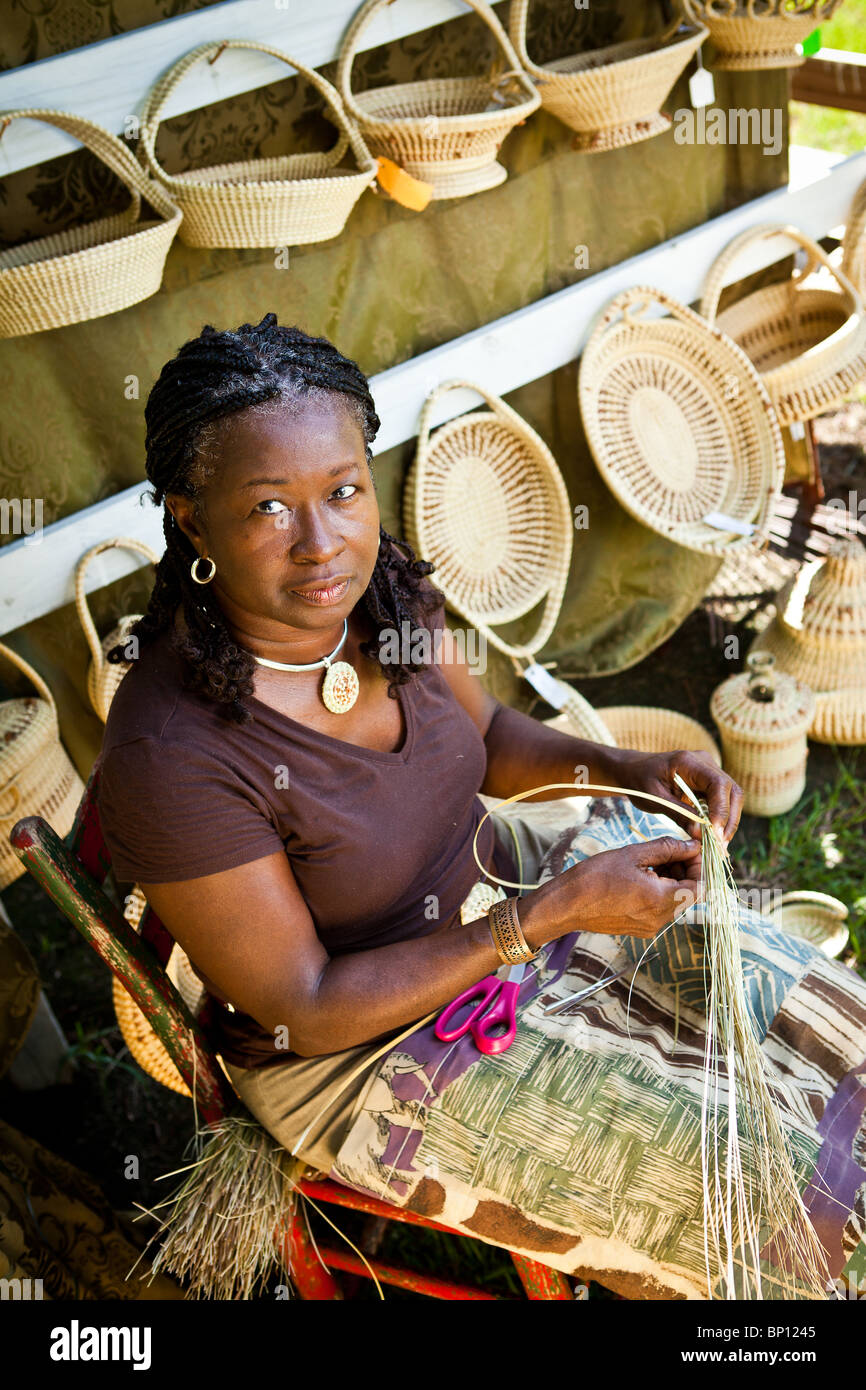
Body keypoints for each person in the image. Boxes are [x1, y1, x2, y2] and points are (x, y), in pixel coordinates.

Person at [98, 315, 865, 1300]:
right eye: (267, 509)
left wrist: (624, 773)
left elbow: (489, 740)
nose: (322, 542)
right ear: (192, 520)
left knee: (840, 1054)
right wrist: (544, 917)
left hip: (506, 883)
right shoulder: (172, 753)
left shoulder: (379, 593)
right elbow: (308, 1007)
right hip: (369, 1048)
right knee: (768, 1209)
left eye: (342, 490)